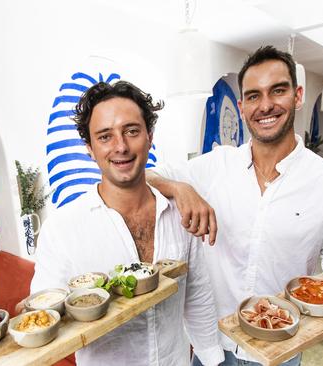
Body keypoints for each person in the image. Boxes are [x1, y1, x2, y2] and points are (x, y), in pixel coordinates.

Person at [147, 46, 323, 366]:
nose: (266, 105)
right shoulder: (215, 166)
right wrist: (180, 188)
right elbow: (143, 177)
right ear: (243, 107)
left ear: (297, 96)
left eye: (278, 90)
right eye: (253, 96)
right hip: (212, 345)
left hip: (280, 347)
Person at [30, 80, 224, 365]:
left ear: (149, 136)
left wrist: (211, 358)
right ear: (90, 148)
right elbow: (45, 314)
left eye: (131, 131)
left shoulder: (181, 213)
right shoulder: (62, 229)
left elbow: (198, 295)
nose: (120, 146)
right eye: (105, 136)